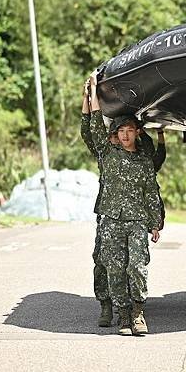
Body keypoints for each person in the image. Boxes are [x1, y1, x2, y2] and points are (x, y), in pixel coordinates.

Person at [87, 72, 162, 336]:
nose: (126, 135)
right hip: (110, 220)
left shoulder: (144, 162)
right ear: (117, 135)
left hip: (138, 220)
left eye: (130, 131)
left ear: (137, 133)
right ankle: (123, 315)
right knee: (115, 269)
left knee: (137, 267)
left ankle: (138, 312)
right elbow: (96, 125)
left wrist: (156, 223)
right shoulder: (107, 154)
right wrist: (94, 92)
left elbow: (151, 194)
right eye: (122, 131)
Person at [80, 80, 117, 328]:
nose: (120, 137)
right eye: (115, 133)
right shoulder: (104, 151)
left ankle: (130, 307)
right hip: (106, 215)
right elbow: (90, 127)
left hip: (132, 216)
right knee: (102, 261)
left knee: (130, 263)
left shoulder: (140, 152)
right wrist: (89, 95)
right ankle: (105, 305)